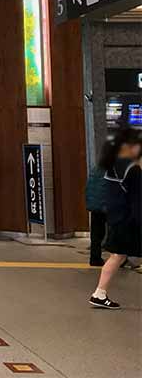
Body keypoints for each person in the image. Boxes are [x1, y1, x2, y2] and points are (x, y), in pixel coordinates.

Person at [89, 129, 141, 309]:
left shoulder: (112, 166)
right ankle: (99, 293)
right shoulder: (132, 170)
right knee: (118, 256)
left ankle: (100, 293)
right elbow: (137, 200)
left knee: (117, 255)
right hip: (130, 220)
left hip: (116, 217)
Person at [86, 140, 113, 267]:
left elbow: (90, 187)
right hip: (108, 205)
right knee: (115, 232)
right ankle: (119, 259)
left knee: (96, 234)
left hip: (95, 205)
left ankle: (94, 258)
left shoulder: (96, 168)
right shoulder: (113, 169)